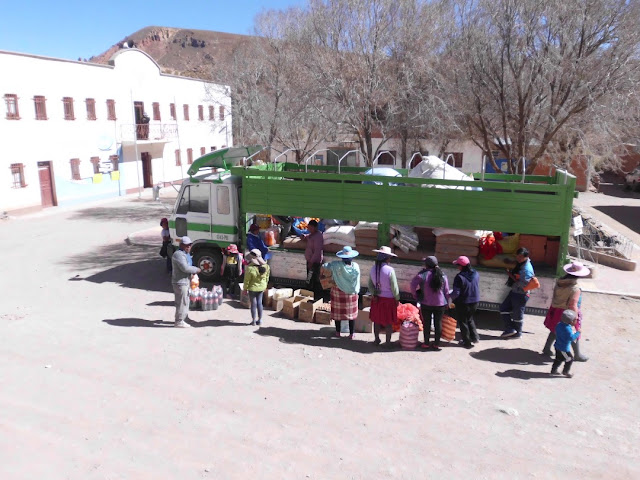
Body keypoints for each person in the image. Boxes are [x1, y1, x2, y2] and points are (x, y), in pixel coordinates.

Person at [542, 261, 590, 361]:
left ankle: (546, 348)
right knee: (572, 332)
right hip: (568, 313)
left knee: (555, 329)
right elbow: (573, 304)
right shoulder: (575, 289)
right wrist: (575, 317)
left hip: (556, 310)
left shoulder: (560, 282)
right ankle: (577, 354)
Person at [410, 256, 451, 351]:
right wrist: (447, 302)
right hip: (440, 304)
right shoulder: (443, 275)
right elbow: (447, 291)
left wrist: (415, 295)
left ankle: (426, 343)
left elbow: (412, 285)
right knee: (438, 323)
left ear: (427, 265)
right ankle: (436, 344)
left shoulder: (422, 275)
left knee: (427, 323)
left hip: (426, 303)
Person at [323, 246, 361, 339]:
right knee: (351, 314)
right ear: (352, 257)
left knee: (337, 313)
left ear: (342, 257)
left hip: (338, 292)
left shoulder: (336, 265)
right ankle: (352, 334)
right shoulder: (356, 266)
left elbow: (324, 266)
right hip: (352, 293)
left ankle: (337, 332)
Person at [368, 246, 400, 347]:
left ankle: (377, 339)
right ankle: (388, 342)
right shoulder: (390, 270)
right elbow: (394, 287)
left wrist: (374, 294)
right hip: (389, 300)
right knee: (388, 322)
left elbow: (370, 285)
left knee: (376, 320)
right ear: (387, 258)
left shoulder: (373, 269)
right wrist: (397, 298)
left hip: (377, 299)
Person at [500, 247, 535, 338]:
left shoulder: (526, 269)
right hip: (515, 291)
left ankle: (518, 333)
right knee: (504, 308)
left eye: (520, 257)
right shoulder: (521, 264)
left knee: (517, 314)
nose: (518, 258)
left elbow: (523, 284)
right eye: (517, 256)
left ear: (526, 257)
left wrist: (510, 275)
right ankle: (511, 329)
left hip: (521, 294)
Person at [450, 255, 481, 349]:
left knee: (463, 321)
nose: (457, 267)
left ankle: (466, 342)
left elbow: (456, 293)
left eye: (458, 265)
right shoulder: (476, 273)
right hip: (475, 301)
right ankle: (475, 338)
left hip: (464, 302)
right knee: (470, 319)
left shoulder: (459, 277)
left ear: (461, 266)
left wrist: (449, 297)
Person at [171, 236, 201, 328]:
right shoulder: (178, 255)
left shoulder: (185, 254)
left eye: (190, 245)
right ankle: (179, 321)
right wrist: (196, 269)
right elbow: (185, 268)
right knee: (181, 302)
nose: (188, 247)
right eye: (186, 245)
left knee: (185, 301)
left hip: (185, 282)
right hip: (180, 283)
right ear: (181, 245)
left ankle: (183, 318)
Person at [243, 249, 270, 326]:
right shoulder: (267, 267)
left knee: (253, 304)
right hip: (261, 287)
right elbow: (267, 278)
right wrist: (265, 286)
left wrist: (245, 289)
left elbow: (246, 280)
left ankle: (254, 321)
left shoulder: (250, 268)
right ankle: (260, 320)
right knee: (260, 303)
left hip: (252, 289)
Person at [550, 309, 581, 378]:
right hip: (563, 349)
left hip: (557, 346)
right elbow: (571, 338)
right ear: (571, 321)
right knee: (569, 359)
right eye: (575, 320)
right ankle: (565, 372)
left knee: (559, 359)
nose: (576, 321)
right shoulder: (567, 329)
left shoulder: (559, 324)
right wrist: (578, 332)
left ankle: (553, 370)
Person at [302, 219, 324, 300]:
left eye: (311, 228)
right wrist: (304, 237)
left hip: (315, 262)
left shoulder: (318, 236)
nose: (309, 230)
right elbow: (308, 237)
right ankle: (310, 296)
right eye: (308, 228)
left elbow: (317, 251)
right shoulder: (312, 235)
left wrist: (311, 262)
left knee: (314, 280)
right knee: (309, 279)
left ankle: (316, 297)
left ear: (316, 228)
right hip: (310, 261)